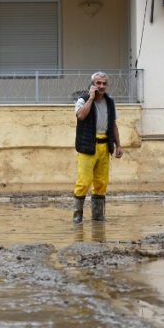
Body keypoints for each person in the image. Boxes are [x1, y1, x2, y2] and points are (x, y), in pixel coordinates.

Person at [72, 72, 123, 223]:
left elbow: (113, 124)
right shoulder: (83, 100)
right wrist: (91, 98)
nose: (101, 86)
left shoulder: (110, 102)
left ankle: (98, 217)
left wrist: (118, 145)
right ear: (93, 84)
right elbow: (81, 116)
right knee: (84, 181)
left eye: (104, 84)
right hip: (87, 146)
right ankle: (77, 217)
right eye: (98, 83)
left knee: (101, 182)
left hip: (104, 146)